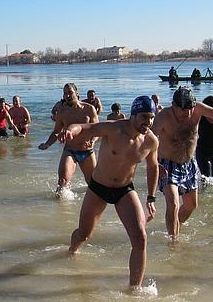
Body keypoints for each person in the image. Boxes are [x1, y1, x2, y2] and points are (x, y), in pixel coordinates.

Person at [60, 96, 159, 289]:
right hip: (98, 188)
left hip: (124, 190)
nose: (149, 122)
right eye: (145, 117)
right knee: (83, 234)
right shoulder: (115, 128)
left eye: (152, 117)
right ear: (134, 115)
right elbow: (85, 127)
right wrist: (70, 131)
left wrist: (151, 197)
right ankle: (71, 252)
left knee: (140, 238)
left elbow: (153, 167)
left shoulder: (150, 141)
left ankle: (134, 289)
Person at [151, 87, 213, 239]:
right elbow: (148, 141)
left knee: (191, 205)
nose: (187, 114)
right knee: (174, 204)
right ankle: (173, 242)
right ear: (174, 105)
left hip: (189, 164)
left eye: (190, 109)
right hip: (167, 165)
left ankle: (175, 225)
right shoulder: (163, 117)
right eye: (183, 110)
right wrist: (154, 164)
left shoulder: (199, 109)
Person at [39, 83, 98, 196]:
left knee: (94, 184)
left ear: (76, 93)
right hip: (70, 150)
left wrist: (93, 140)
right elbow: (56, 132)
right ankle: (61, 210)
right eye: (65, 93)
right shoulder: (62, 112)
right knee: (62, 182)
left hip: (87, 151)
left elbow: (97, 129)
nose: (67, 96)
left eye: (70, 92)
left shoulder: (89, 109)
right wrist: (47, 144)